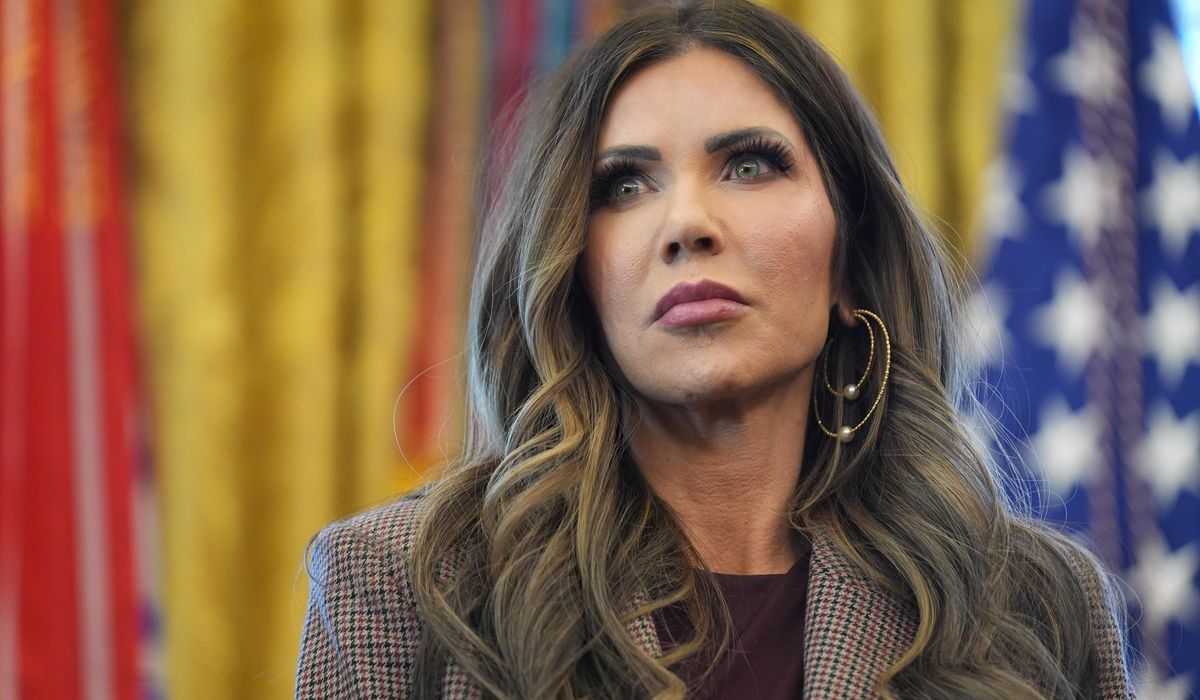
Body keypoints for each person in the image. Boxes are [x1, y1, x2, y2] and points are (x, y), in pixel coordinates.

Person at [295, 1, 1134, 698]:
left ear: (853, 265)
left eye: (749, 166)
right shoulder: (406, 585)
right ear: (573, 273)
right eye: (624, 185)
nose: (686, 223)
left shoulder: (1034, 603)